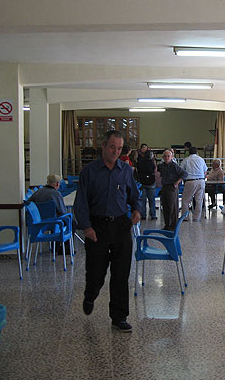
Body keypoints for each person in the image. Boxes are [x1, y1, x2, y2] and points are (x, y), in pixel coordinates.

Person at [73, 130, 141, 332]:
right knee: (96, 272)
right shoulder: (89, 171)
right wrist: (86, 226)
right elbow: (81, 202)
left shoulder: (126, 170)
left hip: (121, 225)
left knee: (121, 273)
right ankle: (90, 294)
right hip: (97, 226)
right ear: (103, 146)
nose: (116, 151)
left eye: (119, 148)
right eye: (112, 147)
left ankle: (119, 317)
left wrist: (137, 209)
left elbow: (134, 195)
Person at [158, 149, 187, 230]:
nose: (166, 157)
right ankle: (167, 225)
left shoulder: (174, 165)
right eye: (165, 156)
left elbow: (184, 174)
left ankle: (173, 226)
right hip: (164, 187)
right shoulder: (162, 165)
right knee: (165, 206)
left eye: (168, 156)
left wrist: (177, 182)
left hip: (172, 187)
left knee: (172, 206)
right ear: (163, 157)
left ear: (171, 157)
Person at [180, 147, 208, 222]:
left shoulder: (186, 160)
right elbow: (205, 171)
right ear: (197, 152)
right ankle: (197, 218)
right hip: (201, 181)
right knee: (199, 200)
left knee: (186, 200)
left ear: (189, 152)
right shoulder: (201, 159)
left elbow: (181, 170)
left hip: (190, 181)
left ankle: (185, 217)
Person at [136, 149, 158, 220]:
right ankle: (153, 215)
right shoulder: (152, 163)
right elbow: (155, 170)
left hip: (142, 181)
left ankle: (143, 215)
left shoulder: (141, 161)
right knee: (152, 200)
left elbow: (138, 170)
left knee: (143, 200)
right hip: (151, 181)